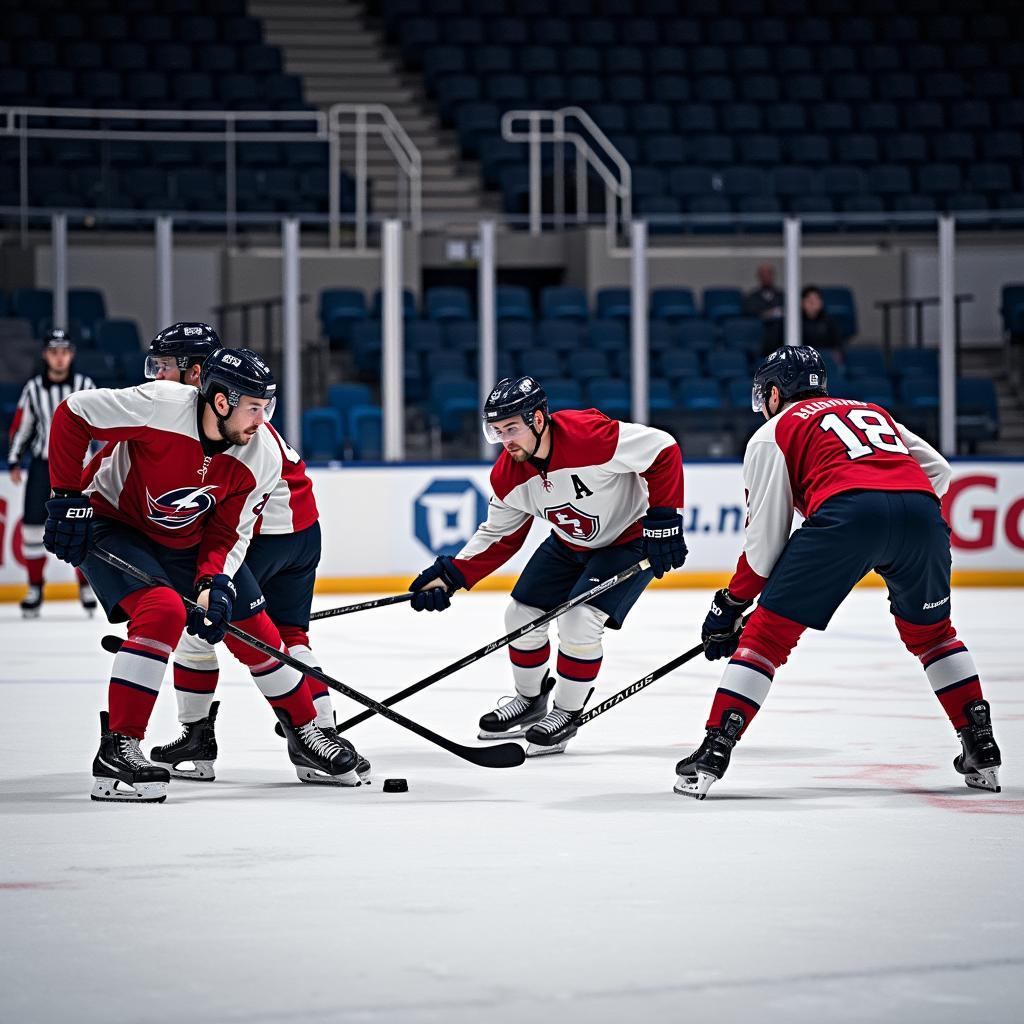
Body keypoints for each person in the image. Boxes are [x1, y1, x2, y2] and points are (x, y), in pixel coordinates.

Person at [675, 345, 1001, 800]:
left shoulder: (775, 431)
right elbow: (938, 470)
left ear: (773, 392)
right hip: (921, 517)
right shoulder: (869, 410)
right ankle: (981, 745)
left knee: (765, 640)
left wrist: (729, 603)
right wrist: (898, 504)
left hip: (846, 517)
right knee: (934, 636)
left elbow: (764, 548)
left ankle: (712, 753)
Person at [43, 346, 362, 803]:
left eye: (267, 406)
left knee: (255, 629)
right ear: (219, 401)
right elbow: (72, 413)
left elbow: (228, 532)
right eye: (254, 407)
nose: (263, 419)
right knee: (162, 610)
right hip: (115, 523)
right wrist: (66, 496)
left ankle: (307, 735)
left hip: (185, 538)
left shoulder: (262, 454)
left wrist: (216, 582)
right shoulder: (160, 404)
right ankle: (118, 747)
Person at [407, 376, 687, 756]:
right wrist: (450, 575)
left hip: (628, 539)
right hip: (570, 544)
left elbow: (662, 449)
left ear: (538, 420)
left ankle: (567, 713)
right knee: (520, 615)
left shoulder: (590, 436)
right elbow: (500, 535)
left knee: (579, 621)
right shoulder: (508, 474)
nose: (506, 441)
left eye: (512, 429)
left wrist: (665, 518)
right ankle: (529, 700)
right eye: (497, 431)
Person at [141, 323, 368, 782]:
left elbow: (218, 517)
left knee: (197, 629)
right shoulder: (238, 406)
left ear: (197, 373)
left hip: (261, 537)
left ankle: (197, 739)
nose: (156, 376)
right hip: (303, 534)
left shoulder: (210, 416)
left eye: (166, 366)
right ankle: (323, 733)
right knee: (292, 638)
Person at [7, 328, 96, 617]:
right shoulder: (33, 389)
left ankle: (86, 585)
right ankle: (35, 587)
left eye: (64, 352)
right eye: (54, 352)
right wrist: (14, 460)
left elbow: (104, 424)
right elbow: (23, 426)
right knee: (33, 527)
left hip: (79, 466)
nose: (59, 358)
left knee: (81, 524)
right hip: (43, 465)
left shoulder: (85, 384)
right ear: (46, 355)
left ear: (71, 354)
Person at [743, 263, 784, 351]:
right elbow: (749, 313)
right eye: (763, 275)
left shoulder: (782, 296)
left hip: (780, 339)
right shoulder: (752, 297)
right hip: (759, 339)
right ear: (759, 277)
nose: (766, 277)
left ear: (773, 275)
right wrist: (766, 314)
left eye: (768, 274)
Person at [800, 285, 842, 352]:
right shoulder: (796, 322)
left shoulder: (829, 321)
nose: (812, 302)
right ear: (801, 302)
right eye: (809, 299)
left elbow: (838, 345)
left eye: (816, 299)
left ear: (821, 302)